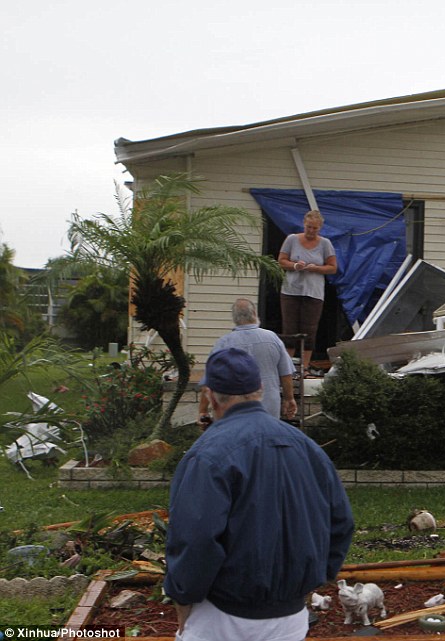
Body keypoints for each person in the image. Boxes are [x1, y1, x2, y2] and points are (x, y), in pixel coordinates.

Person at [165, 347, 354, 641]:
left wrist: (183, 598)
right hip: (290, 620)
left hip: (222, 619)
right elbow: (340, 523)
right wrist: (312, 579)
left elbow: (196, 539)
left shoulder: (208, 455)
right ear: (261, 389)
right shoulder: (308, 448)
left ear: (210, 395)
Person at [197, 298, 297, 422]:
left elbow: (210, 380)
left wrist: (203, 410)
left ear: (234, 319)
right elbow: (285, 374)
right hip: (269, 408)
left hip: (233, 411)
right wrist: (289, 398)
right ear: (254, 313)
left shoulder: (224, 343)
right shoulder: (272, 339)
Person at [277, 210, 337, 371]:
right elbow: (281, 261)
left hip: (314, 292)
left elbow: (332, 267)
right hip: (291, 290)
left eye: (315, 229)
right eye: (309, 227)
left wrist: (316, 268)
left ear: (320, 228)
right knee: (289, 328)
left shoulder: (325, 244)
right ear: (304, 224)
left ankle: (304, 366)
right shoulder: (292, 239)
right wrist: (295, 266)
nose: (311, 231)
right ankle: (287, 366)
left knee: (309, 329)